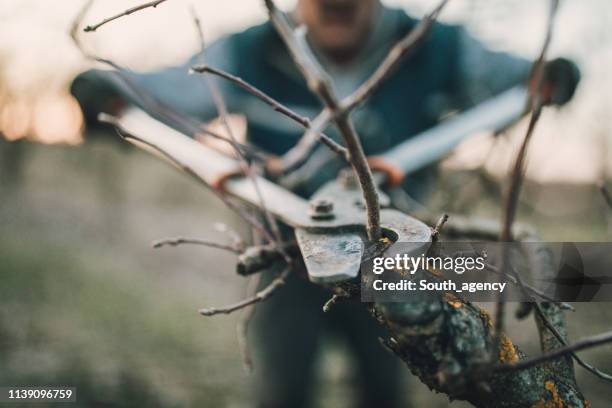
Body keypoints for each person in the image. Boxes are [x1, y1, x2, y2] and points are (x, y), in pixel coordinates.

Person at [71, 1, 579, 406]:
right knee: (281, 392)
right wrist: (113, 93)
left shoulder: (435, 45)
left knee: (385, 391)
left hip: (395, 263)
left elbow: (520, 79)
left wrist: (547, 77)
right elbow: (168, 92)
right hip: (284, 260)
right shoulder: (248, 51)